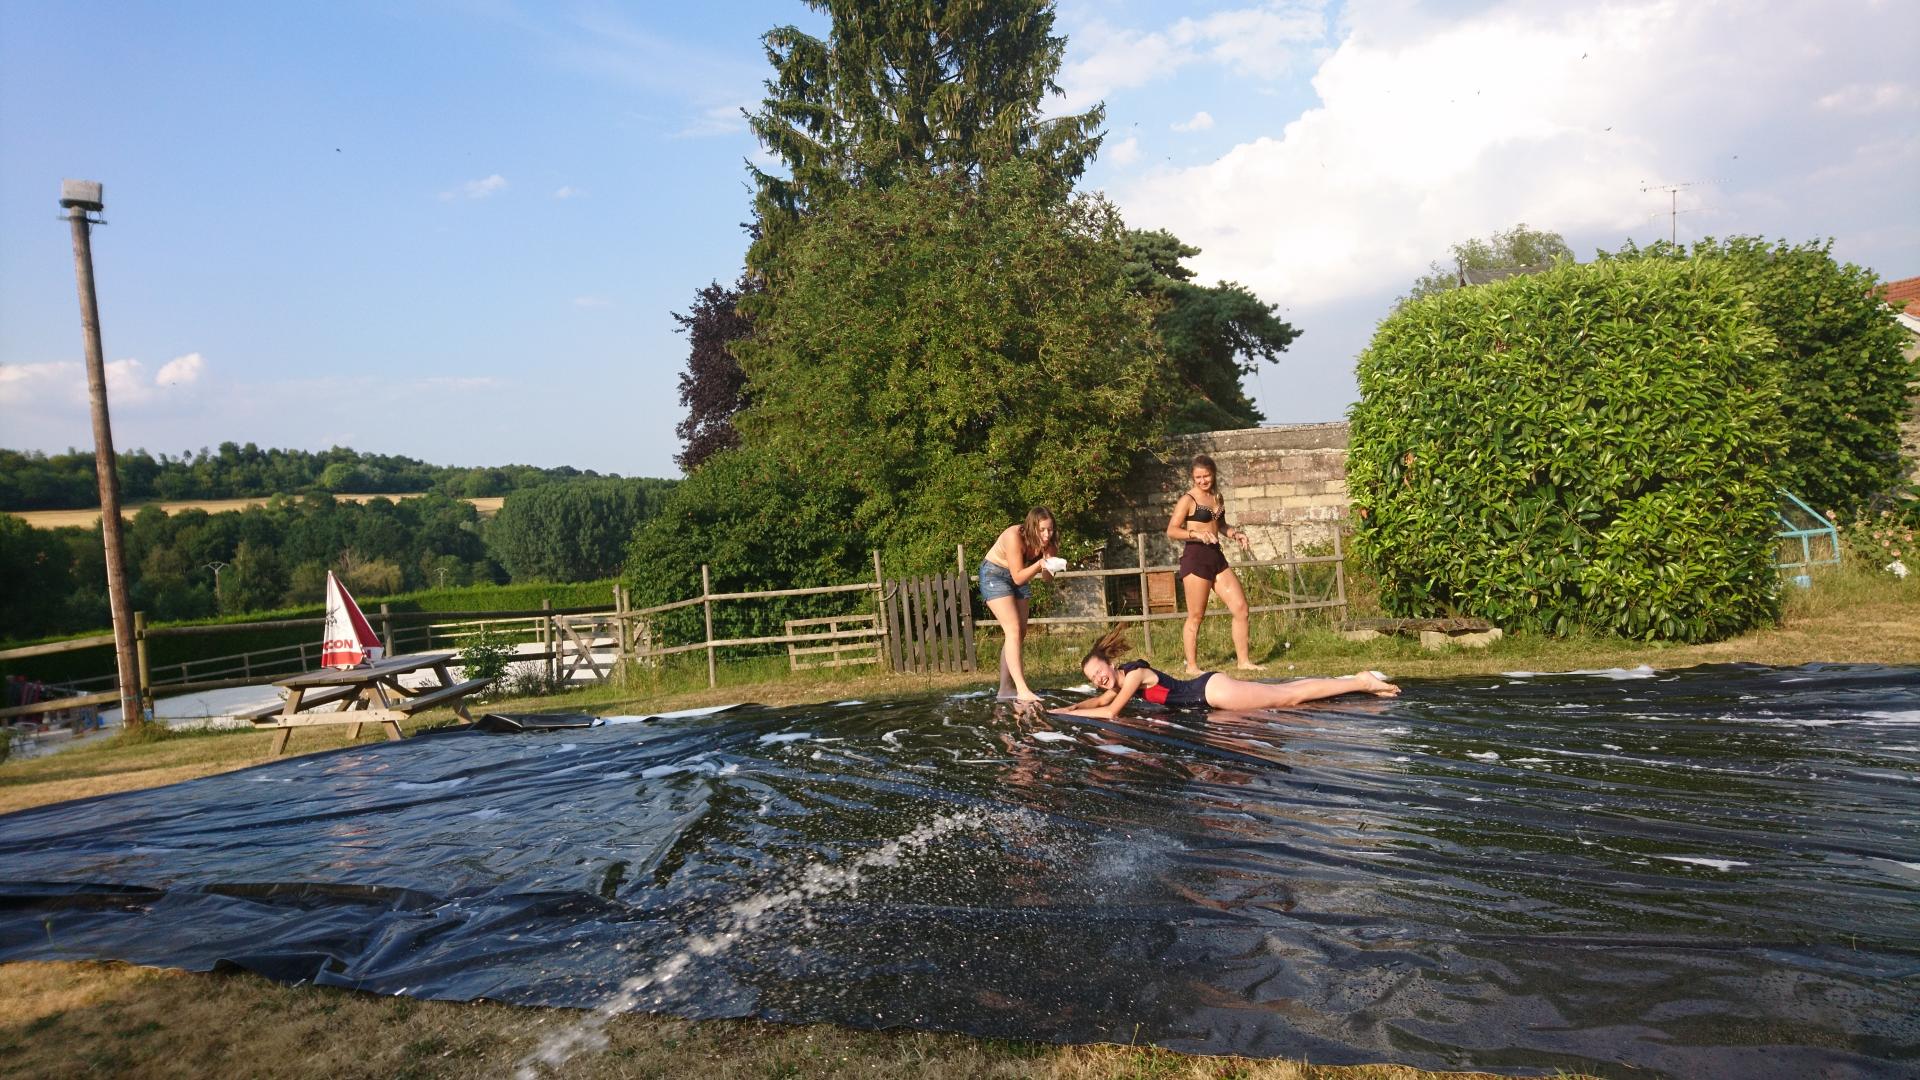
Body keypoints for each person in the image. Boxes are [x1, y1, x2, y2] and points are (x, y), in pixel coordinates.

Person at [1057, 627, 1398, 719]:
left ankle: (1361, 681)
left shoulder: (1132, 676)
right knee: (1287, 694)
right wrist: (1069, 708)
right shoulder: (1117, 685)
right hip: (1211, 695)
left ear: (1110, 664)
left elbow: (1112, 712)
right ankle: (1349, 682)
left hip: (1212, 693)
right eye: (1092, 678)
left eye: (1098, 671)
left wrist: (1076, 718)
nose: (1097, 680)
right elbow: (1100, 701)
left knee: (1288, 696)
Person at [1168, 453, 1257, 673]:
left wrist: (1236, 534)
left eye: (1206, 476)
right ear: (1193, 477)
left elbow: (1221, 525)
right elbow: (1171, 530)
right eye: (1198, 477)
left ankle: (1243, 662)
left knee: (1241, 608)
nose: (1202, 481)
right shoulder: (1188, 500)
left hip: (1216, 557)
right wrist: (1195, 534)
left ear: (1213, 474)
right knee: (1196, 615)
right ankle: (1192, 666)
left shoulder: (1218, 497)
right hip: (1196, 558)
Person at [978, 508, 1060, 702]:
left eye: (1050, 530)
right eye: (1042, 530)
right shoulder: (1014, 536)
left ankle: (1005, 689)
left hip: (1020, 575)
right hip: (995, 574)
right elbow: (1018, 577)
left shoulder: (1050, 544)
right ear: (1032, 527)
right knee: (1013, 629)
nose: (1047, 535)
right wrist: (1039, 565)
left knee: (1020, 632)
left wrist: (1050, 562)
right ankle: (1022, 689)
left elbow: (1047, 579)